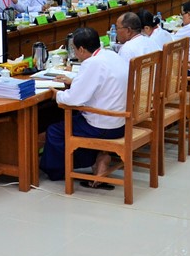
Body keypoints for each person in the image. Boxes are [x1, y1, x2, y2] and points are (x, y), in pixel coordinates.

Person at [40, 27, 128, 184]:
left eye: (74, 49)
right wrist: (75, 82)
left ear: (81, 49)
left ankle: (58, 171)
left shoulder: (92, 63)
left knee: (54, 130)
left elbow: (73, 99)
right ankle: (98, 158)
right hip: (121, 123)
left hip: (103, 126)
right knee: (74, 119)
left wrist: (57, 95)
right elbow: (101, 83)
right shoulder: (110, 55)